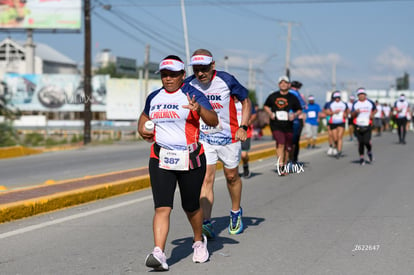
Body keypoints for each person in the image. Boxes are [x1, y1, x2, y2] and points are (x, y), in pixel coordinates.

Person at [138, 55, 218, 271]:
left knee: (191, 207)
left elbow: (213, 120)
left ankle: (199, 241)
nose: (168, 78)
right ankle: (159, 252)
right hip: (161, 158)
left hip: (190, 159)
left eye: (173, 74)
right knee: (162, 207)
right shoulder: (154, 96)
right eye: (164, 74)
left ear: (183, 75)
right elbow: (144, 118)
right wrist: (143, 130)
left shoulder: (193, 94)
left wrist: (199, 110)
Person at [186, 49, 251, 239]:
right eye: (196, 69)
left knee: (231, 176)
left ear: (212, 65)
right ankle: (206, 222)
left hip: (229, 137)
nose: (200, 73)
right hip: (204, 138)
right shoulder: (189, 84)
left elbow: (246, 101)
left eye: (204, 68)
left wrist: (243, 127)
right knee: (206, 179)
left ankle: (236, 212)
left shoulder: (226, 80)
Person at [264, 76, 302, 176]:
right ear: (279, 84)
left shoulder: (293, 98)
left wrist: (294, 115)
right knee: (280, 143)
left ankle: (284, 165)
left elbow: (299, 109)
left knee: (287, 147)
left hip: (288, 125)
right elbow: (266, 106)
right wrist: (270, 113)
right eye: (281, 83)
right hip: (276, 124)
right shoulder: (273, 96)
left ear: (289, 85)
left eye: (285, 83)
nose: (283, 84)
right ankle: (280, 165)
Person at [351, 88, 377, 165]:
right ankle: (361, 157)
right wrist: (355, 112)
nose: (361, 96)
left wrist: (372, 114)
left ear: (365, 95)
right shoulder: (355, 103)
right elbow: (352, 115)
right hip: (358, 125)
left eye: (363, 94)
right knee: (361, 142)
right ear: (358, 95)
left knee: (366, 142)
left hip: (367, 124)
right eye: (360, 94)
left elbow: (375, 110)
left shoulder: (370, 102)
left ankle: (369, 152)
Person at [236, 99, 257, 178]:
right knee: (234, 154)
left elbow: (254, 115)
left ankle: (245, 166)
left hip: (245, 132)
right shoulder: (228, 101)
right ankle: (235, 171)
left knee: (243, 155)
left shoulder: (245, 102)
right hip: (232, 132)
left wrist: (247, 123)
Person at [324, 91, 348, 159]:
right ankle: (336, 147)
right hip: (333, 122)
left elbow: (347, 111)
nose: (337, 99)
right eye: (336, 98)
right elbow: (326, 112)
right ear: (333, 98)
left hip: (341, 122)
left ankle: (339, 151)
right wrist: (333, 112)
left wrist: (345, 115)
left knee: (339, 137)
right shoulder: (330, 104)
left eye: (338, 98)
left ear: (340, 98)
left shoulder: (344, 104)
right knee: (335, 138)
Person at [289, 80, 307, 164]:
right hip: (296, 119)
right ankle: (293, 159)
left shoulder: (286, 93)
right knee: (294, 141)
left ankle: (291, 159)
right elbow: (304, 107)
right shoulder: (299, 95)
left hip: (289, 118)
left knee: (290, 141)